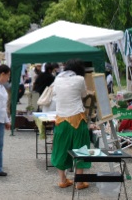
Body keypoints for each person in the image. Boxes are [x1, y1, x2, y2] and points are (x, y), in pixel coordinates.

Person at [51, 59, 92, 190]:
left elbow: (55, 95)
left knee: (60, 148)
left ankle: (63, 180)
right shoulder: (80, 79)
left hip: (61, 119)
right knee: (80, 149)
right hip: (78, 119)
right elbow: (84, 95)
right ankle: (79, 182)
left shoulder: (57, 79)